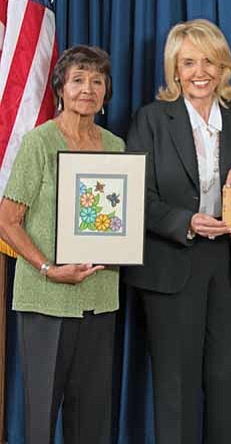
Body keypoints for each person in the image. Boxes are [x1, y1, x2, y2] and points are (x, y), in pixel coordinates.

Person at [125, 19, 231, 444]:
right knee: (176, 388)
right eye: (188, 62)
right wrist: (184, 221)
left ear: (223, 68)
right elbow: (137, 196)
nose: (199, 71)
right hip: (172, 263)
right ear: (174, 69)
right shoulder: (151, 119)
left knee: (229, 383)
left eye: (209, 61)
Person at [0, 45, 125, 444]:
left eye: (97, 81)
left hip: (101, 297)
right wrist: (48, 268)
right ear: (60, 89)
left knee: (91, 417)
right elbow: (7, 221)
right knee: (41, 416)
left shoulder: (116, 147)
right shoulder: (38, 143)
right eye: (78, 80)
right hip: (46, 297)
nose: (87, 88)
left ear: (106, 93)